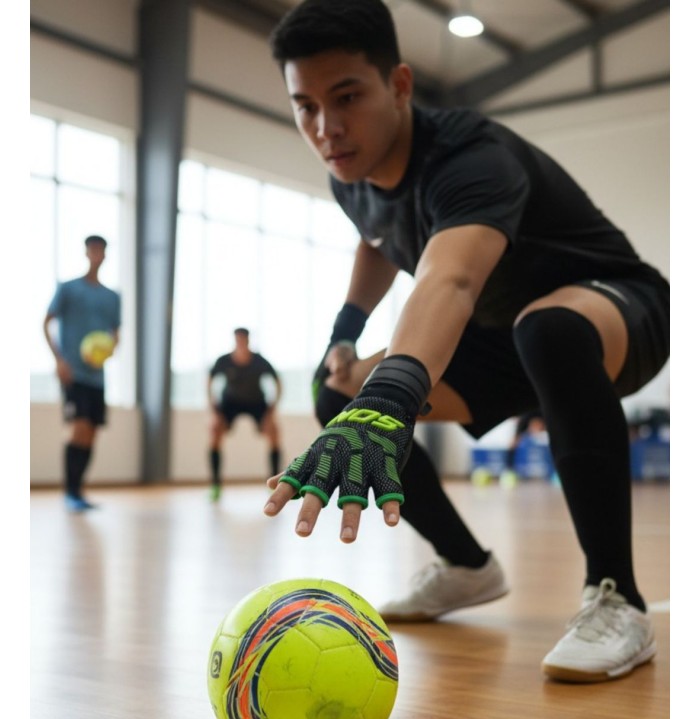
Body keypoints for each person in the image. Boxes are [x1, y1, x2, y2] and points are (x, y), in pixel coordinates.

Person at [263, 0, 670, 683]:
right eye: (305, 106)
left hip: (616, 313)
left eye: (347, 97)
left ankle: (617, 598)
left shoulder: (471, 157)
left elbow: (448, 279)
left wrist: (391, 394)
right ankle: (465, 565)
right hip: (503, 340)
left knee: (546, 328)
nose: (326, 128)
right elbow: (378, 241)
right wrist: (345, 334)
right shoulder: (350, 174)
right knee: (338, 391)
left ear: (399, 84)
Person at [43, 235, 121, 512]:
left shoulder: (112, 297)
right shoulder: (68, 289)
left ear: (105, 255)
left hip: (97, 376)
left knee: (91, 433)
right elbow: (46, 323)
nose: (96, 254)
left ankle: (79, 491)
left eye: (101, 250)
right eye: (92, 249)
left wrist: (108, 351)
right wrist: (59, 361)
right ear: (86, 253)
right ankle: (70, 492)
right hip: (73, 373)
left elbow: (115, 334)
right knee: (78, 429)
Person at [207, 328, 283, 501]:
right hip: (230, 403)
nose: (240, 343)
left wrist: (272, 409)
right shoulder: (224, 361)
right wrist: (213, 409)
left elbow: (278, 382)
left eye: (243, 340)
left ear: (248, 341)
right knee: (214, 430)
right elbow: (209, 381)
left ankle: (274, 483)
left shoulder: (259, 361)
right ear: (234, 341)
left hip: (256, 402)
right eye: (238, 340)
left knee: (273, 431)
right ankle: (215, 485)